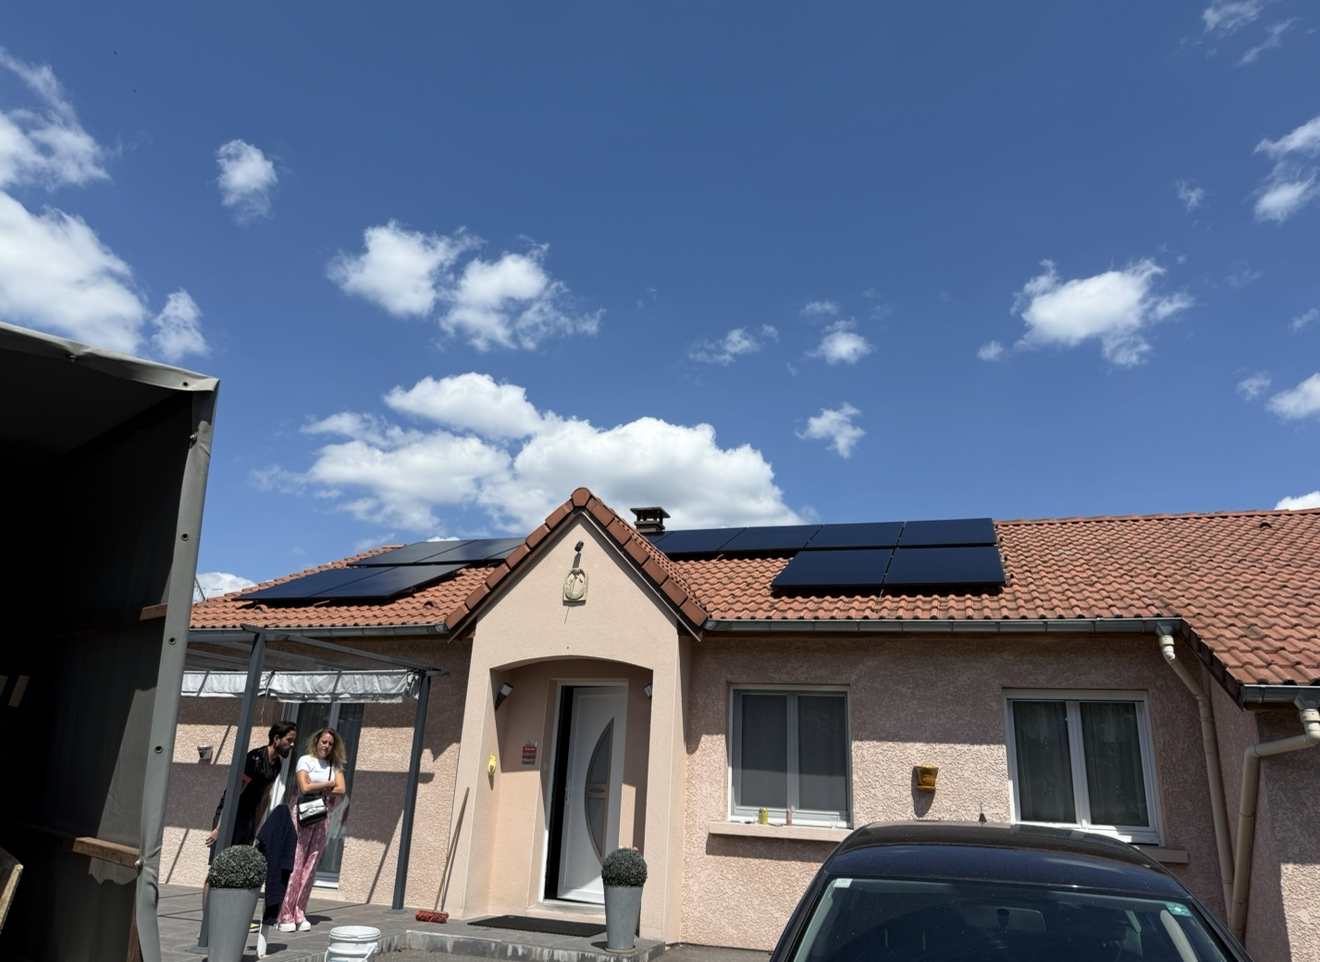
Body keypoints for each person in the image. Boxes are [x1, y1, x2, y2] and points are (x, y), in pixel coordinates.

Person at [276, 727, 346, 932]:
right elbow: (303, 788)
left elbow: (341, 789)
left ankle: (300, 911)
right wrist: (327, 783)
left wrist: (315, 783)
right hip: (302, 813)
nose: (327, 746)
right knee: (296, 862)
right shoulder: (305, 760)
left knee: (311, 864)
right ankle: (285, 914)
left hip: (321, 815)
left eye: (331, 743)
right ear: (317, 741)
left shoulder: (335, 765)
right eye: (324, 742)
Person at [206, 720, 299, 853]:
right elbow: (235, 793)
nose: (292, 745)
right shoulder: (255, 759)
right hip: (233, 812)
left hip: (249, 815)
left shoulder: (276, 764)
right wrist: (221, 828)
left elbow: (265, 797)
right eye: (289, 740)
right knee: (223, 859)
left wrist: (255, 829)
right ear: (276, 738)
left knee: (242, 861)